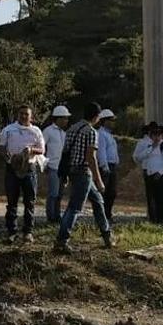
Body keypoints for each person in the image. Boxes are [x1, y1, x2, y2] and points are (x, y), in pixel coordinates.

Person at [55, 102, 113, 253]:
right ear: (97, 116)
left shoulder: (72, 128)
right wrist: (99, 181)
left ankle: (107, 235)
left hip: (73, 170)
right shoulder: (92, 132)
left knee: (98, 201)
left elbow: (66, 152)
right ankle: (62, 240)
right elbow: (91, 158)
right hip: (83, 172)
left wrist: (65, 173)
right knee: (75, 207)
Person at [0, 105, 45, 243]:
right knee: (12, 201)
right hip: (12, 168)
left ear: (31, 117)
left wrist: (31, 150)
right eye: (21, 114)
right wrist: (9, 158)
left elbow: (42, 149)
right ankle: (11, 232)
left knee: (29, 201)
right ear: (17, 115)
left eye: (27, 114)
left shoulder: (36, 131)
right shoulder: (8, 130)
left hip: (29, 167)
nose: (24, 116)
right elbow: (2, 147)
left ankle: (28, 232)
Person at [134, 124, 163, 223]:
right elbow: (139, 157)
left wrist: (159, 173)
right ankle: (154, 220)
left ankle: (162, 220)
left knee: (162, 199)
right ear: (151, 136)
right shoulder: (149, 147)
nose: (157, 137)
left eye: (158, 134)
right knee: (153, 199)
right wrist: (151, 149)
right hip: (151, 175)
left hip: (162, 176)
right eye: (154, 135)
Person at [43, 105, 71, 223]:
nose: (66, 121)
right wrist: (44, 164)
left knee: (59, 194)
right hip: (53, 167)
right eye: (64, 118)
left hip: (62, 168)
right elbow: (41, 147)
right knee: (53, 194)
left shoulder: (64, 134)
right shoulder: (48, 131)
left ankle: (57, 215)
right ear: (58, 118)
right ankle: (51, 217)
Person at [96, 109, 119, 223]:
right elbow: (101, 152)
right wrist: (104, 167)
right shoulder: (101, 134)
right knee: (105, 193)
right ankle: (103, 216)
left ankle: (107, 214)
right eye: (111, 120)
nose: (113, 122)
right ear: (104, 121)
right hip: (106, 166)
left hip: (112, 165)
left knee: (112, 192)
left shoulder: (108, 134)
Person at [132, 123, 156, 220]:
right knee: (151, 195)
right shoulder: (142, 142)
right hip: (148, 170)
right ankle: (152, 217)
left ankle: (158, 216)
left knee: (158, 194)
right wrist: (148, 150)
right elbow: (136, 157)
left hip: (159, 171)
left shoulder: (159, 142)